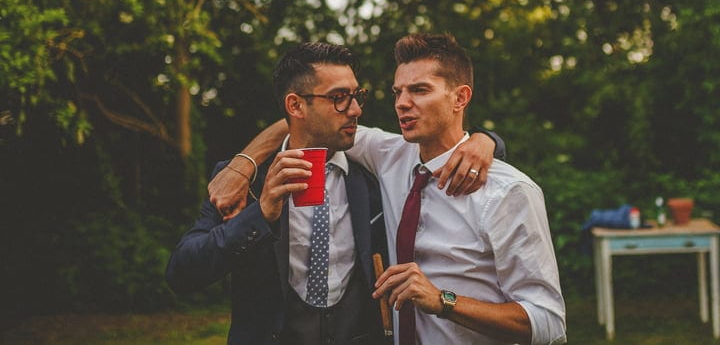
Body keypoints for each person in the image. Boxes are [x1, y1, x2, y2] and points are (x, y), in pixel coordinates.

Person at [213, 33, 567, 344]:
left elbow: (548, 323)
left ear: (460, 98)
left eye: (419, 90)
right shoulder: (388, 154)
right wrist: (242, 164)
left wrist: (442, 300)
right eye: (398, 91)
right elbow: (308, 119)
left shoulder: (509, 192)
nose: (401, 102)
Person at [165, 41, 499, 344]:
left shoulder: (376, 173)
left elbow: (444, 144)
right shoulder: (245, 182)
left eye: (357, 96)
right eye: (339, 98)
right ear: (296, 106)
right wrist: (261, 212)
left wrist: (486, 140)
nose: (355, 110)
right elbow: (182, 275)